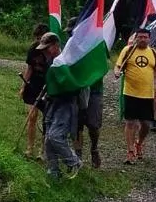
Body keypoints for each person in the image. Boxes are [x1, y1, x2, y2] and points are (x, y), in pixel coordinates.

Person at [114, 27, 156, 165]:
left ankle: (139, 143)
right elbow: (118, 66)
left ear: (149, 39)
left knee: (146, 124)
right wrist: (117, 72)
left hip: (147, 94)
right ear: (136, 38)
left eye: (145, 37)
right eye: (140, 37)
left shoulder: (154, 54)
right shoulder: (128, 51)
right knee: (130, 122)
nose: (142, 39)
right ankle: (130, 151)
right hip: (130, 92)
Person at [36, 37, 81, 180]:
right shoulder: (51, 61)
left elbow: (69, 85)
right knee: (48, 138)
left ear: (55, 46)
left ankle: (74, 161)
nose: (45, 52)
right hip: (52, 103)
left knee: (55, 136)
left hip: (64, 103)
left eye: (47, 48)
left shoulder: (62, 61)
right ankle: (53, 170)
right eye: (43, 49)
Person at [19, 26, 51, 159]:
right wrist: (23, 86)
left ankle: (43, 150)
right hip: (33, 85)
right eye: (37, 38)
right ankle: (29, 147)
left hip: (47, 87)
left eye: (41, 38)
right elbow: (30, 68)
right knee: (32, 116)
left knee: (46, 120)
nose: (38, 41)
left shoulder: (52, 52)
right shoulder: (33, 49)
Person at [75, 80, 105, 169]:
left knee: (94, 125)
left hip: (94, 90)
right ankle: (78, 154)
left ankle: (94, 148)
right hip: (77, 89)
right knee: (77, 124)